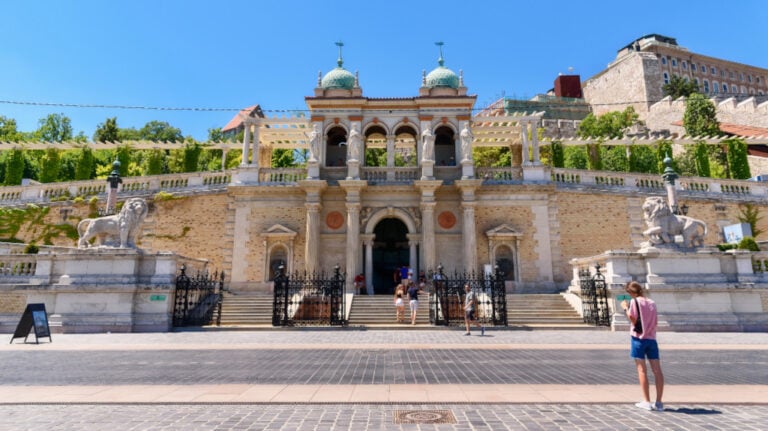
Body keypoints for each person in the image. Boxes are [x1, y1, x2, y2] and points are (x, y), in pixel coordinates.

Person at [621, 281, 664, 412]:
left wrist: (625, 308)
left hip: (638, 339)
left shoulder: (634, 302)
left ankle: (646, 401)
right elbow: (655, 321)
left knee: (642, 370)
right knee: (657, 370)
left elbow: (633, 319)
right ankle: (659, 402)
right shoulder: (652, 302)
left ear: (631, 292)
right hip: (651, 339)